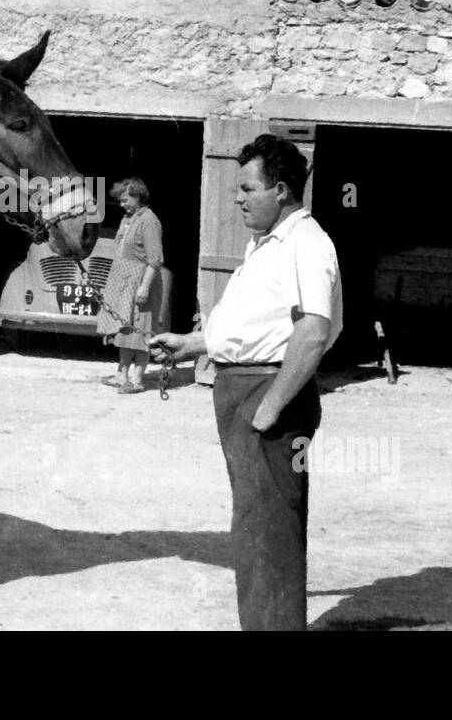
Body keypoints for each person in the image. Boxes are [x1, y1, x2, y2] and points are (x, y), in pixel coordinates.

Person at [150, 134, 342, 630]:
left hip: (267, 397)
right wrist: (193, 344)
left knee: (269, 536)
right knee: (254, 532)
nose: (236, 198)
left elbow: (313, 331)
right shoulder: (267, 245)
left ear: (280, 190)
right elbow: (256, 327)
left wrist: (270, 407)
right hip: (244, 392)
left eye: (246, 188)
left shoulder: (306, 242)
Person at [96, 177, 165, 394]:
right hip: (123, 281)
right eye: (120, 200)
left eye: (126, 200)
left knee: (141, 330)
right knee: (124, 330)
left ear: (138, 196)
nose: (122, 204)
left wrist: (144, 287)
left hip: (140, 281)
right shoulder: (127, 219)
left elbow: (155, 259)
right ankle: (122, 374)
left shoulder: (149, 220)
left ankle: (137, 380)